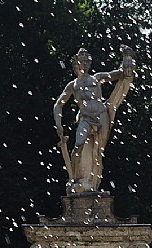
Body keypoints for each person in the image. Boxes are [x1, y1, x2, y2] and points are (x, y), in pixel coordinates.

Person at [53, 45, 135, 193]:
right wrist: (58, 125)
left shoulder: (97, 78)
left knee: (97, 152)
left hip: (101, 115)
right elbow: (58, 104)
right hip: (86, 118)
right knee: (78, 145)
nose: (83, 64)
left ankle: (91, 183)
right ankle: (75, 179)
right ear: (75, 64)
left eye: (86, 62)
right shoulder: (73, 85)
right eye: (81, 62)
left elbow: (119, 74)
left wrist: (126, 60)